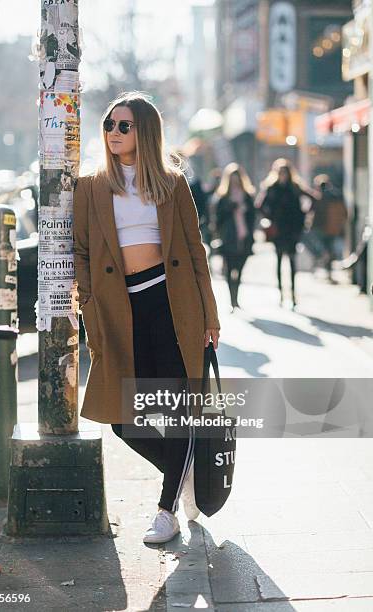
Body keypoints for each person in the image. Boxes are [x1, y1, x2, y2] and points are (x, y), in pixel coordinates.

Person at [73, 91, 220, 545]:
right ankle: (183, 467)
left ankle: (166, 509)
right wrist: (90, 305)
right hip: (119, 311)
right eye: (110, 125)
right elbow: (79, 252)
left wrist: (210, 316)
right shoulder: (91, 186)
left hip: (172, 305)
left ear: (145, 131)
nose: (113, 132)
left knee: (176, 410)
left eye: (124, 125)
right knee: (123, 417)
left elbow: (196, 254)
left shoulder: (172, 184)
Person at [256, 158, 318, 307]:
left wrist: (304, 215)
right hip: (278, 230)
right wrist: (269, 218)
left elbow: (313, 199)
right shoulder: (272, 187)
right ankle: (281, 294)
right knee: (278, 261)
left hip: (292, 230)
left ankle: (293, 294)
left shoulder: (294, 187)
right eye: (281, 172)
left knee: (292, 262)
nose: (283, 175)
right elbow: (259, 206)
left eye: (285, 172)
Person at [214, 163, 256, 310]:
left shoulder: (247, 196)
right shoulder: (223, 197)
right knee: (230, 269)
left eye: (237, 178)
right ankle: (233, 300)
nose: (235, 182)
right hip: (228, 238)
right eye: (233, 179)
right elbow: (217, 219)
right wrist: (230, 207)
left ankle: (236, 297)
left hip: (244, 237)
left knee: (239, 269)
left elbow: (253, 217)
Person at [311, 174, 347, 281]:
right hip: (333, 228)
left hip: (321, 227)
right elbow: (344, 212)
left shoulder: (318, 197)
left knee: (323, 249)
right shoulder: (337, 196)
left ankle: (325, 267)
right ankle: (328, 270)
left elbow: (313, 212)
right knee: (329, 249)